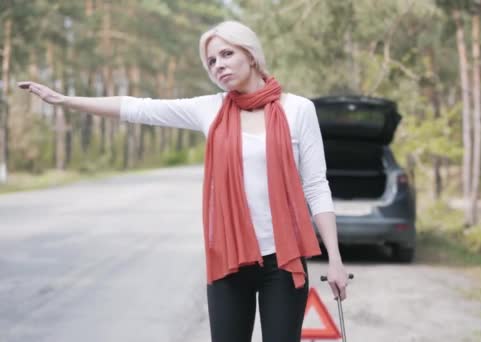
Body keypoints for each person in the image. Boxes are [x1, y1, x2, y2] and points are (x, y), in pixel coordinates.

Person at [18, 20, 349, 342]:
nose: (218, 65)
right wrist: (64, 100)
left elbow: (316, 185)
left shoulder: (298, 110)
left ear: (250, 54)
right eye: (211, 61)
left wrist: (334, 258)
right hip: (229, 259)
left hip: (284, 259)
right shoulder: (210, 110)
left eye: (226, 54)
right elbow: (138, 108)